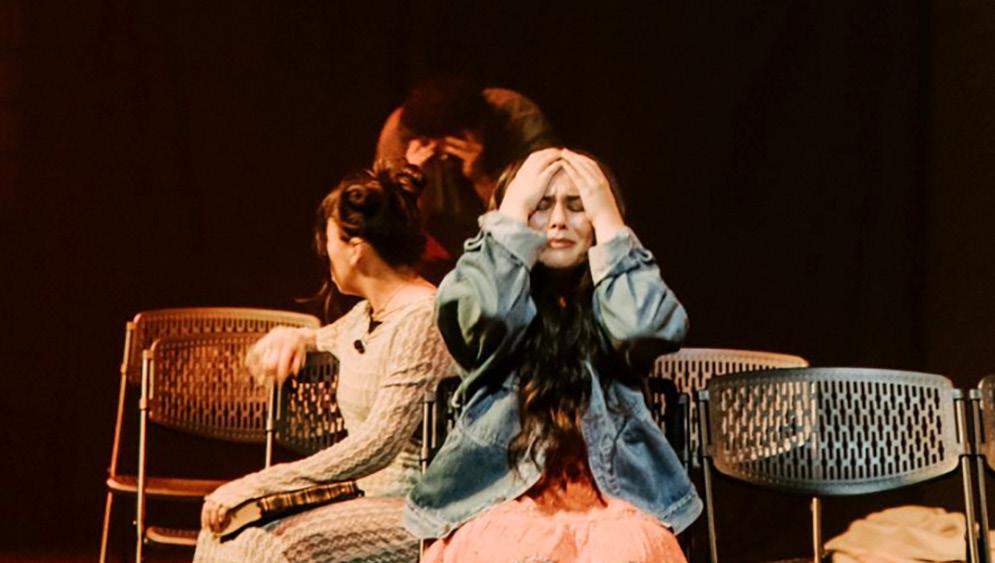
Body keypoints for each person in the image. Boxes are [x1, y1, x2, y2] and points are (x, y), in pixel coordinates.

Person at [405, 148, 701, 562]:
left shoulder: (615, 302)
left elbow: (645, 327)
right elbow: (488, 312)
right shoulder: (488, 291)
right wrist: (512, 213)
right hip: (501, 493)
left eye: (578, 206)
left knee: (627, 554)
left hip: (614, 498)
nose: (559, 221)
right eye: (541, 205)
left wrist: (610, 222)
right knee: (516, 553)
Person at [193, 164, 453, 563]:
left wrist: (258, 484)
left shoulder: (422, 319)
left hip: (418, 506)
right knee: (222, 534)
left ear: (356, 248)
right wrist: (294, 336)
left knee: (271, 547)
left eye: (329, 239)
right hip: (363, 497)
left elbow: (377, 446)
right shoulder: (366, 314)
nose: (323, 251)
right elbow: (326, 337)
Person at [375, 77, 556, 283]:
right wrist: (411, 183)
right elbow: (391, 239)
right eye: (432, 144)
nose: (444, 156)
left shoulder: (517, 118)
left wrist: (481, 178)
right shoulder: (400, 134)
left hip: (521, 260)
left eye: (454, 142)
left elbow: (537, 222)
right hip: (443, 264)